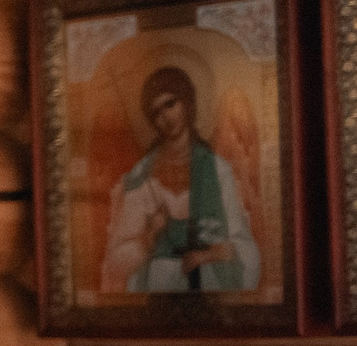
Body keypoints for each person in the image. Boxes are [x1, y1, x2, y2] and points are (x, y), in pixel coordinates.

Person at [100, 64, 258, 294]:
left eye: (170, 103)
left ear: (187, 102)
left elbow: (244, 248)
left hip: (209, 284)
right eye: (156, 113)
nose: (165, 116)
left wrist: (208, 254)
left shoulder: (216, 169)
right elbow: (116, 260)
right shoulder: (141, 177)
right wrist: (149, 236)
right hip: (157, 286)